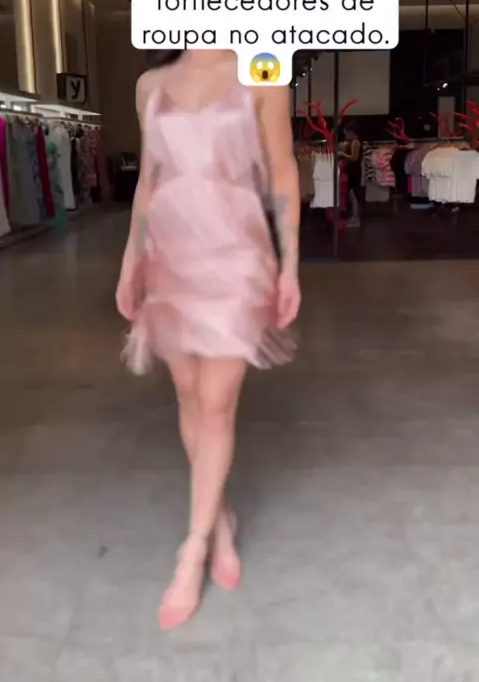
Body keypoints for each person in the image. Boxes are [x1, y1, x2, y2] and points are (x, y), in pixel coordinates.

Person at [116, 48, 301, 631]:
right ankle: (218, 520)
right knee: (190, 399)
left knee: (217, 404)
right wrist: (130, 262)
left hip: (237, 255)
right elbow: (149, 181)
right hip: (170, 254)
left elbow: (282, 172)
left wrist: (290, 263)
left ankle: (191, 550)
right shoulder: (151, 85)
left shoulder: (263, 76)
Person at [338, 120, 362, 227]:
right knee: (352, 194)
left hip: (354, 170)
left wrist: (342, 154)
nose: (346, 136)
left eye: (347, 133)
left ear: (351, 132)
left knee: (354, 194)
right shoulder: (353, 142)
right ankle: (354, 217)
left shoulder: (355, 142)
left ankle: (356, 218)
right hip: (352, 170)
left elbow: (354, 158)